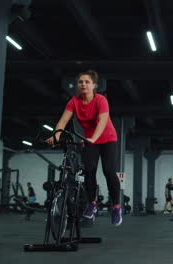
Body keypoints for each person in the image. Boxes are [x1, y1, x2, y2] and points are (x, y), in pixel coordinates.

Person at [46, 70, 122, 226]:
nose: (83, 84)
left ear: (94, 85)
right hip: (89, 140)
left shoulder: (101, 100)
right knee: (89, 169)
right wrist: (56, 136)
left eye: (87, 82)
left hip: (107, 139)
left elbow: (102, 121)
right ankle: (92, 204)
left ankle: (116, 207)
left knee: (108, 170)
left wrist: (93, 138)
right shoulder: (73, 101)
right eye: (80, 82)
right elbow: (62, 122)